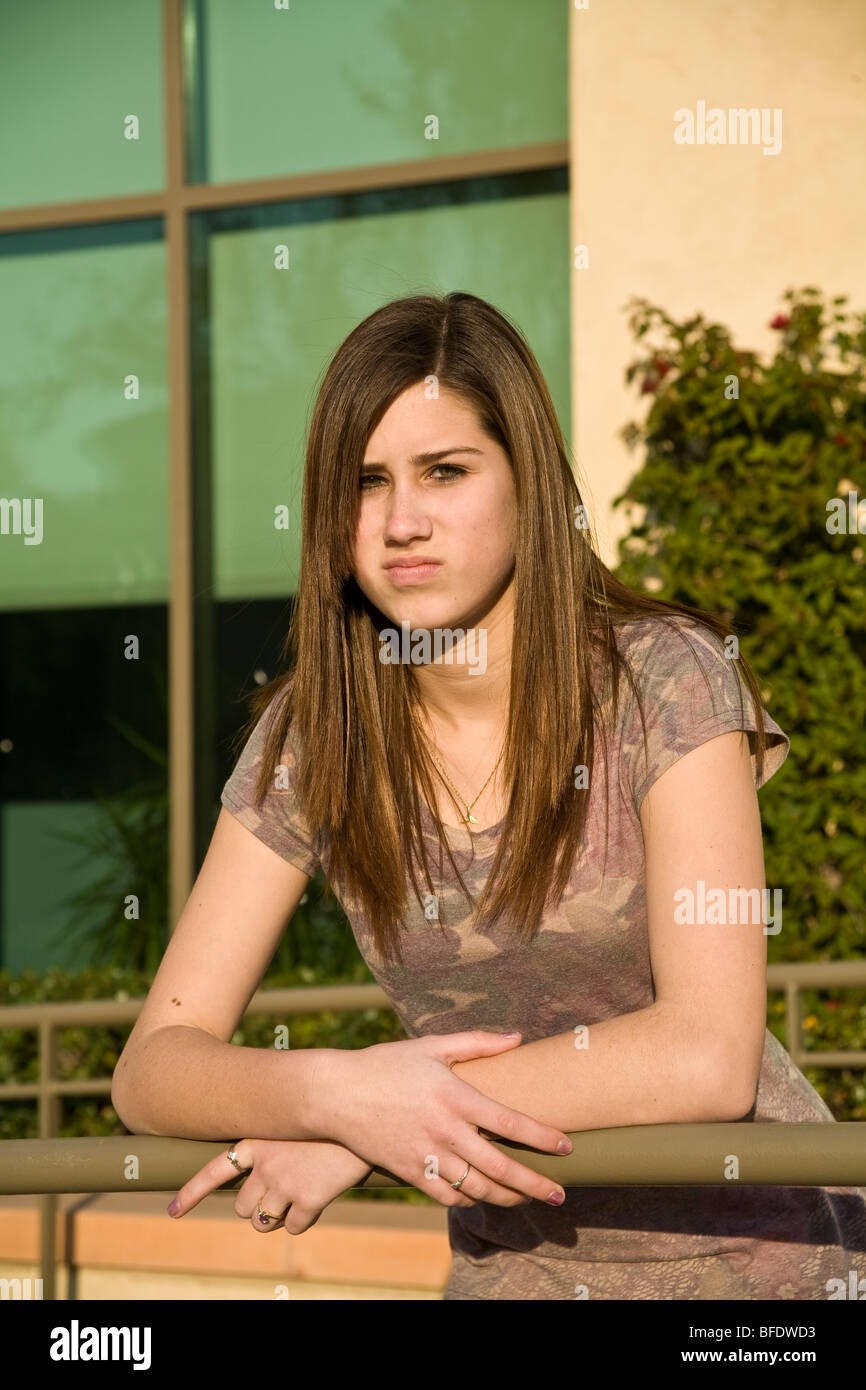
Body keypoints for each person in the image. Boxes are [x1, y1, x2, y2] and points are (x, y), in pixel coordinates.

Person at [112, 291, 866, 1300]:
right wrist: (339, 1096)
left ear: (529, 483)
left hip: (762, 1280)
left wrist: (387, 1122)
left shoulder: (663, 680)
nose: (399, 522)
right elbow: (151, 1066)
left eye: (444, 471)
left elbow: (708, 1050)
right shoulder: (314, 733)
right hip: (516, 1280)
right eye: (364, 482)